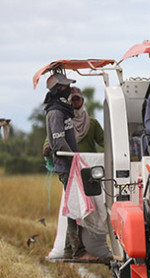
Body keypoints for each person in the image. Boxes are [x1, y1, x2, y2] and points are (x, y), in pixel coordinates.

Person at [43, 73, 98, 262]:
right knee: (75, 207)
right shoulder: (56, 112)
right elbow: (58, 142)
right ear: (59, 90)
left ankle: (68, 249)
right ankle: (78, 252)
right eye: (65, 87)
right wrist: (75, 158)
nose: (69, 90)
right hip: (67, 166)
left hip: (70, 165)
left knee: (75, 205)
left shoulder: (62, 110)